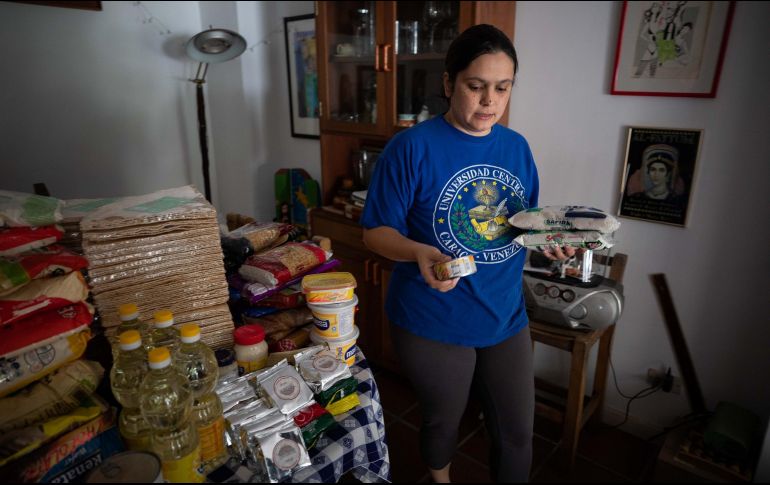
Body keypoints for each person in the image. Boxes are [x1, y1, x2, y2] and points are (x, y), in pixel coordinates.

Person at [360, 24, 574, 483]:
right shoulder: (411, 147)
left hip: (504, 313)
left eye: (502, 88)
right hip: (433, 314)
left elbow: (520, 223)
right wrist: (418, 251)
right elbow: (375, 233)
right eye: (476, 87)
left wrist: (548, 242)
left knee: (518, 431)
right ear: (448, 83)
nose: (489, 102)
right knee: (443, 420)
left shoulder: (516, 147)